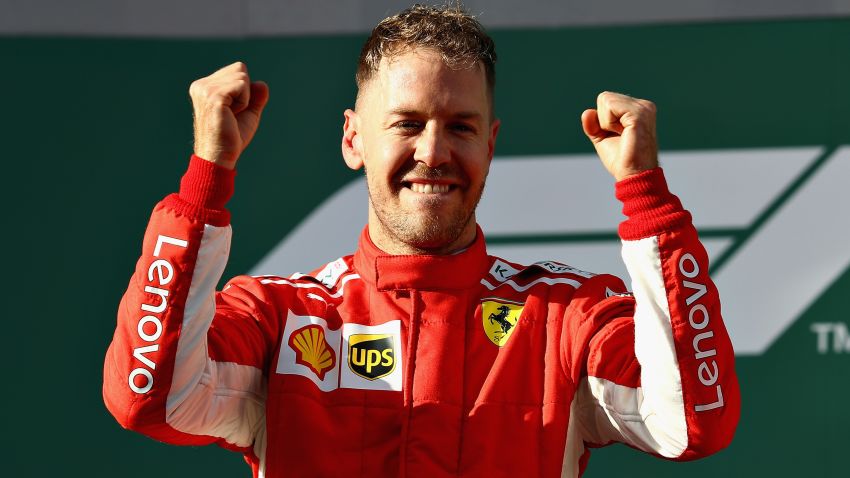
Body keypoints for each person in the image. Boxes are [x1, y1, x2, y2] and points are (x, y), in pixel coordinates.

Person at [103, 4, 739, 477]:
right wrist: (205, 182)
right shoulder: (281, 316)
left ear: (489, 146)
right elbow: (148, 399)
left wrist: (647, 200)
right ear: (354, 139)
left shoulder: (564, 317)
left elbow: (692, 421)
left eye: (460, 127)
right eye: (407, 123)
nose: (433, 152)